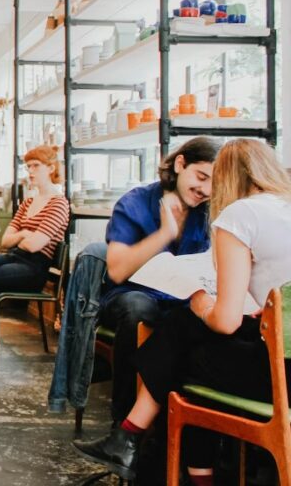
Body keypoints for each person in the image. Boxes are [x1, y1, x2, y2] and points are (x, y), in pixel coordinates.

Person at [73, 139, 291, 484]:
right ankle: (134, 438)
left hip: (276, 376)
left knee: (187, 353)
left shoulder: (241, 215)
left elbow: (225, 320)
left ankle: (132, 436)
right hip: (276, 353)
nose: (208, 191)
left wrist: (205, 306)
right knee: (183, 330)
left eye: (213, 180)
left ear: (228, 178)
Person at [98, 136, 219, 422]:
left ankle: (193, 435)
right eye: (201, 177)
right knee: (141, 309)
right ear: (180, 164)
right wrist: (164, 234)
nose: (205, 190)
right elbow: (116, 270)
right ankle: (124, 425)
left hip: (184, 301)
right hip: (131, 298)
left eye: (215, 184)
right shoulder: (135, 203)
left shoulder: (210, 213)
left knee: (209, 320)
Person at [0, 145, 69, 360]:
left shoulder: (59, 204)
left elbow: (35, 246)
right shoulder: (28, 202)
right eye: (28, 166)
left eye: (36, 166)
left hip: (34, 268)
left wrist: (21, 236)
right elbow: (6, 239)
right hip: (14, 258)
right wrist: (24, 234)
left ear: (50, 168)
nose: (30, 171)